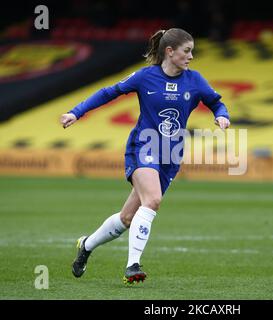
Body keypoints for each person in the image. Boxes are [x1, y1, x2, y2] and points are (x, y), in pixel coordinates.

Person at [60, 28, 230, 285]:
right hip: (143, 147)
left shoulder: (195, 81)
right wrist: (77, 112)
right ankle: (132, 265)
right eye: (187, 51)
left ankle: (86, 245)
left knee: (127, 218)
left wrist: (222, 115)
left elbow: (216, 102)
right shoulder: (145, 77)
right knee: (152, 200)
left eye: (192, 51)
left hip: (171, 154)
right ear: (170, 52)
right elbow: (109, 92)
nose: (191, 56)